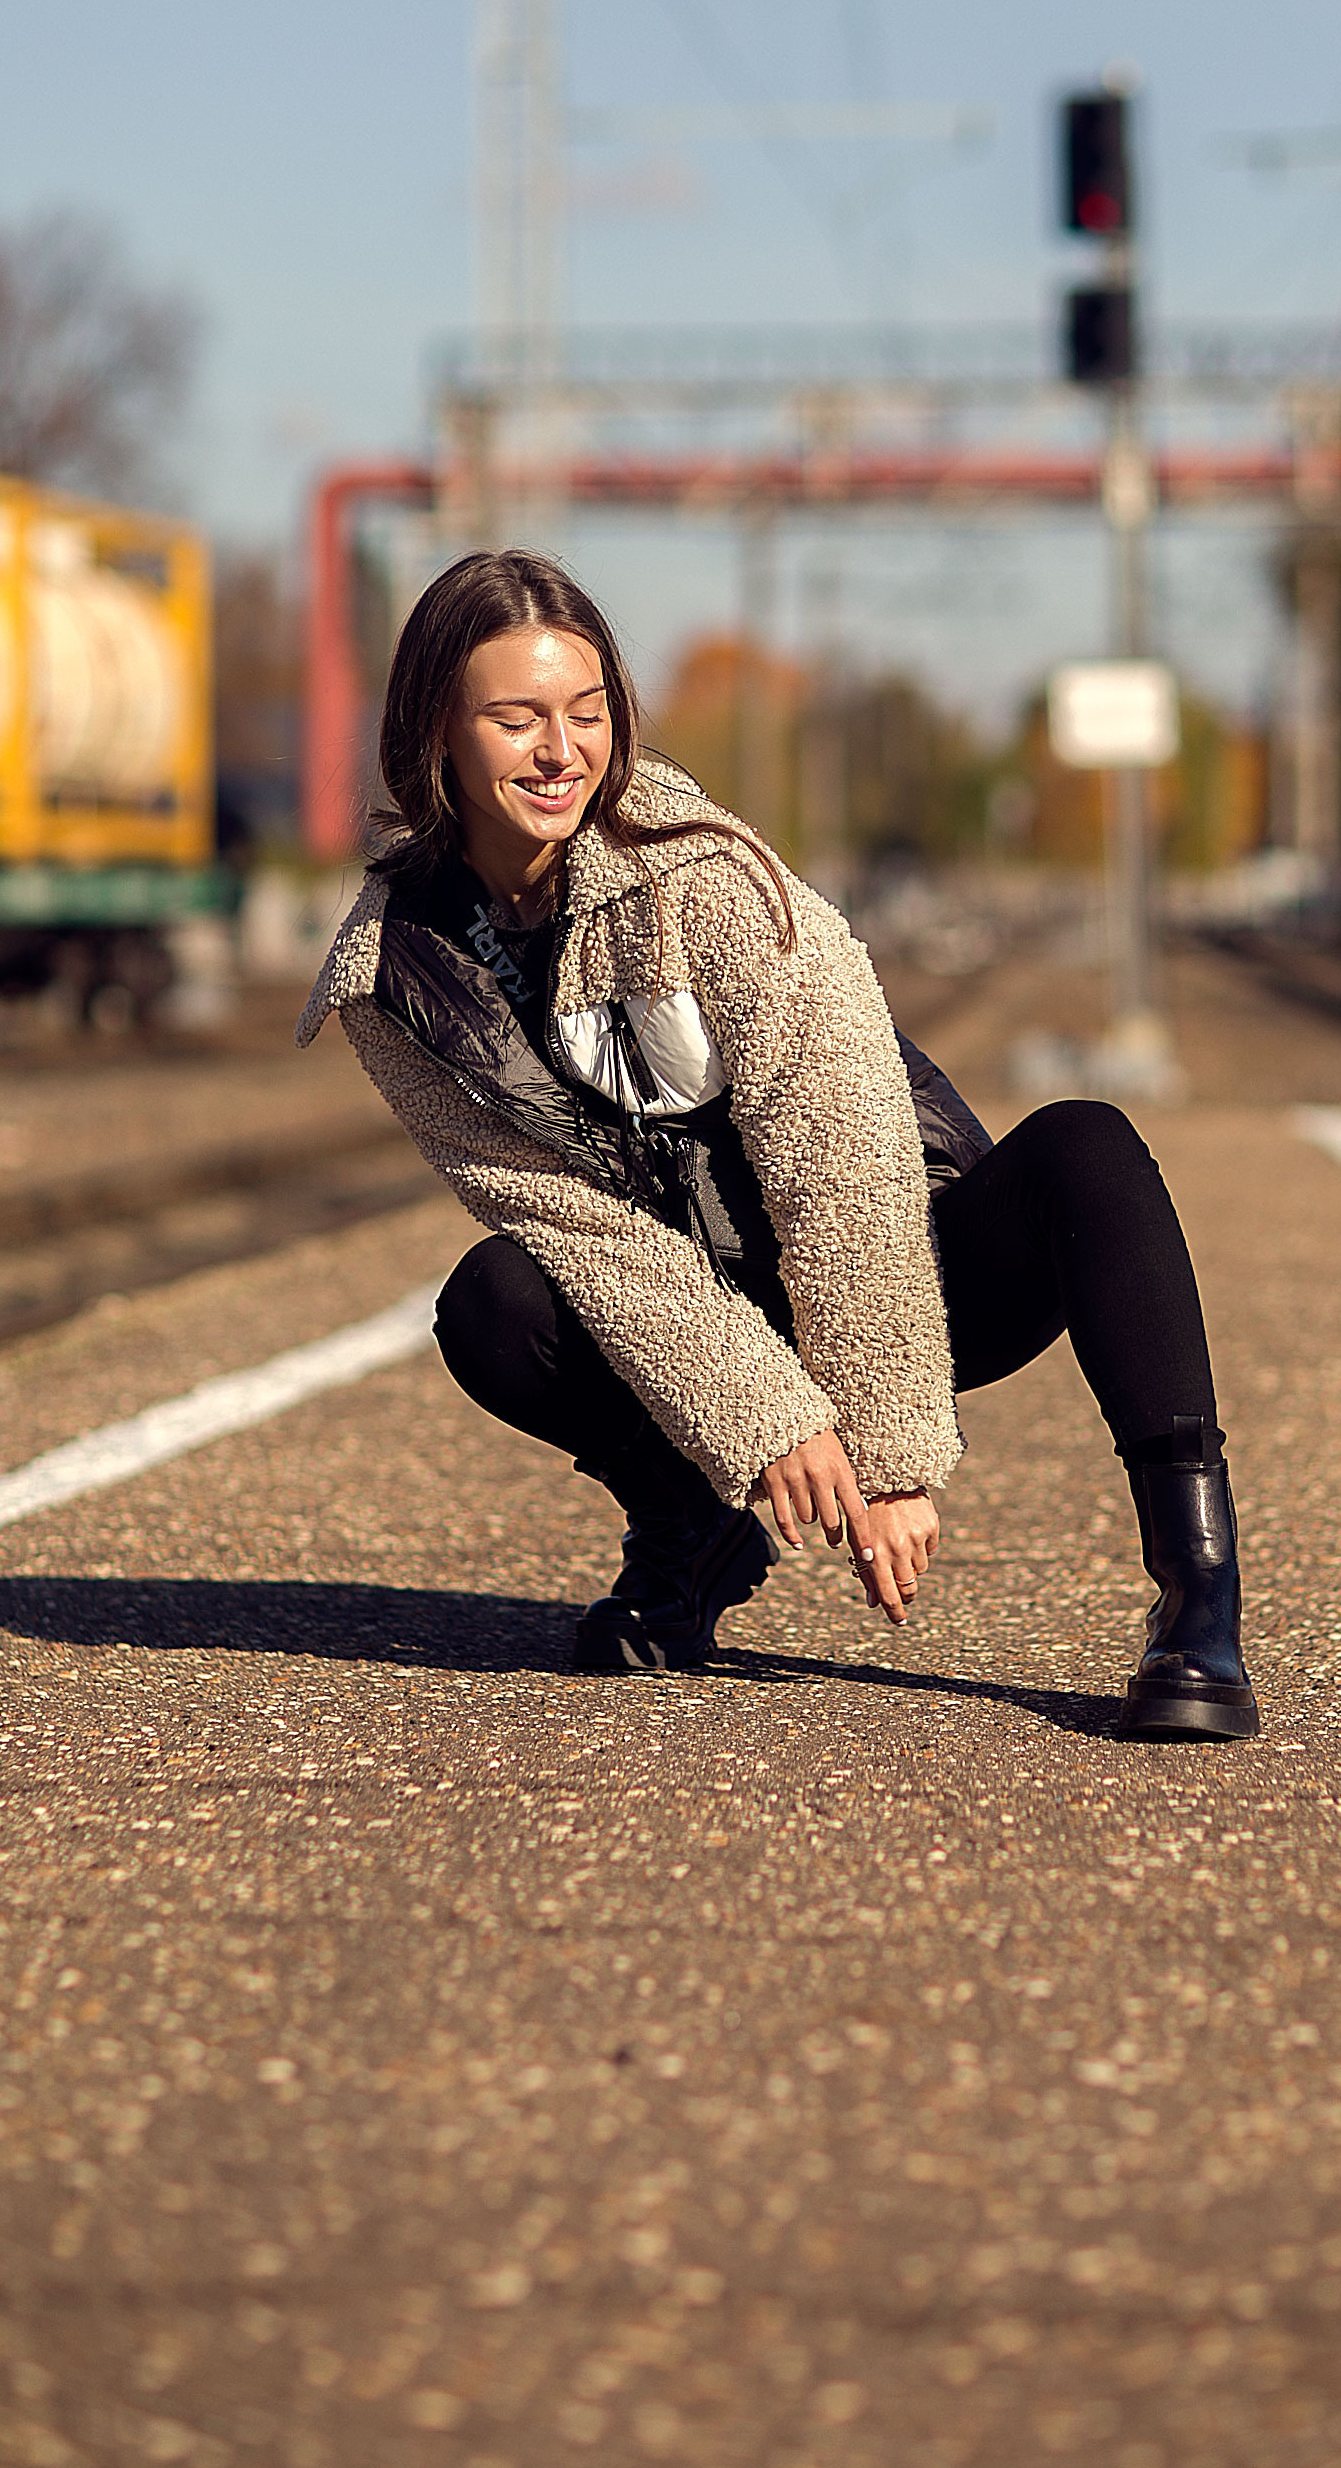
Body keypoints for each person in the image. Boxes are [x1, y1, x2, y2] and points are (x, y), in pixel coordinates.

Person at [300, 549, 1257, 1743]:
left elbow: (842, 1160)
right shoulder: (396, 972)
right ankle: (690, 1532)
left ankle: (1196, 1594)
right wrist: (759, 1418)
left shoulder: (709, 879)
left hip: (910, 1271)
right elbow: (575, 1229)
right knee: (495, 1302)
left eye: (586, 713)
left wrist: (886, 1447)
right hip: (708, 1303)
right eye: (515, 718)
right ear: (435, 730)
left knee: (1085, 1147)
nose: (559, 751)